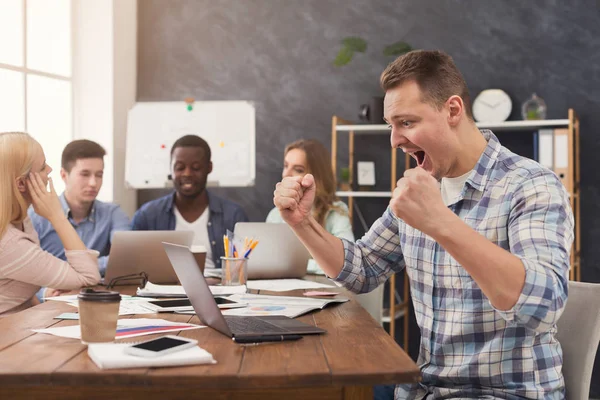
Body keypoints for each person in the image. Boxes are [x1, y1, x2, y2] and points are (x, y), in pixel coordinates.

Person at [273, 50, 573, 399]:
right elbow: (362, 269)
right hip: (425, 389)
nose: (395, 140)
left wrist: (440, 221)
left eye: (407, 123)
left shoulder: (532, 184)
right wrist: (302, 222)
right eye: (391, 125)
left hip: (504, 393)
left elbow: (544, 306)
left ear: (453, 110)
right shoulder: (421, 186)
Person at [0, 132, 100, 316]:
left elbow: (25, 296)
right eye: (42, 167)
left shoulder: (21, 219)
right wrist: (57, 216)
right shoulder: (8, 243)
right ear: (22, 183)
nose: (50, 170)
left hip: (21, 326)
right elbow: (89, 278)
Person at [131, 135, 248, 270]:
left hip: (219, 289)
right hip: (164, 290)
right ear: (171, 168)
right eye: (180, 167)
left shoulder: (233, 215)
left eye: (196, 168)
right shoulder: (147, 215)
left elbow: (242, 269)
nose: (187, 173)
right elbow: (134, 267)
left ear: (209, 168)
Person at [29, 140, 130, 292]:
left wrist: (75, 272)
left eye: (99, 175)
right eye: (85, 174)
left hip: (95, 297)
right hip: (53, 299)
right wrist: (45, 292)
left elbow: (126, 258)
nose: (93, 183)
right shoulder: (36, 216)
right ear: (64, 175)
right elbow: (26, 273)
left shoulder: (113, 213)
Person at [266, 139, 354, 273]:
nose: (286, 174)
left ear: (316, 176)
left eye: (298, 169)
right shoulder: (275, 214)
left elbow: (348, 261)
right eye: (285, 166)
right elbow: (267, 260)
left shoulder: (336, 212)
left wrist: (294, 266)